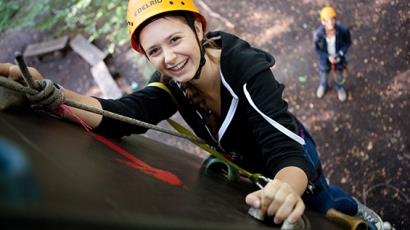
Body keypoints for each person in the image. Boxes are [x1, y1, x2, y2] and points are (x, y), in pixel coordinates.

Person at [0, 0, 385, 229]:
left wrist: (286, 186)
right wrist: (49, 91)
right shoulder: (170, 84)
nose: (168, 57)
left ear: (198, 28)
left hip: (294, 164)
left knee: (327, 205)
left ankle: (363, 219)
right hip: (255, 173)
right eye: (154, 51)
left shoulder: (245, 68)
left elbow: (285, 149)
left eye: (174, 39)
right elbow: (121, 115)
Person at [313, 6, 352, 102]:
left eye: (332, 19)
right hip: (325, 60)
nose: (330, 23)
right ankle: (323, 85)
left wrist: (340, 54)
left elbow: (348, 43)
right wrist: (328, 57)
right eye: (326, 20)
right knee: (324, 74)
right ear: (322, 22)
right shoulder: (318, 34)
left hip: (339, 59)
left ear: (335, 19)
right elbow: (317, 49)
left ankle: (340, 88)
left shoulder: (343, 31)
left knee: (339, 75)